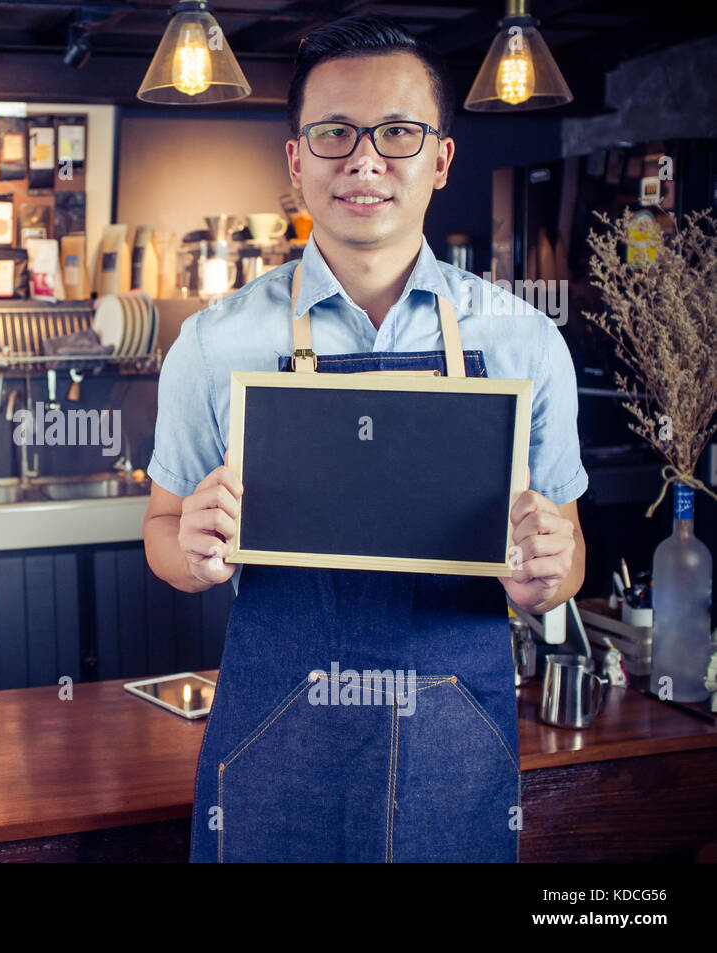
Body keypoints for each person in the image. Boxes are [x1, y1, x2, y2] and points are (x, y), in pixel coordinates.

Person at [143, 14, 586, 862]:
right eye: (335, 133)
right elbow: (162, 532)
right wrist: (192, 552)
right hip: (277, 739)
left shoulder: (527, 341)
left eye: (398, 133)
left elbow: (566, 558)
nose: (365, 160)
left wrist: (545, 572)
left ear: (441, 159)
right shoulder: (213, 341)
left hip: (456, 746)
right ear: (297, 160)